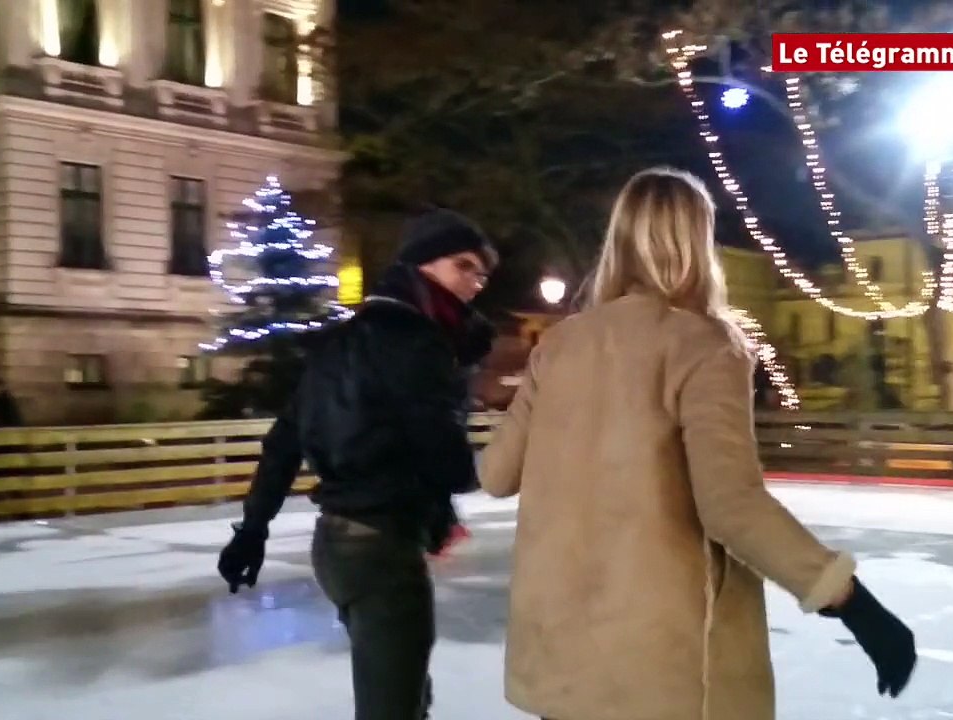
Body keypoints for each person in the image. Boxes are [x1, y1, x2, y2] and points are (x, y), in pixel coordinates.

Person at [478, 168, 916, 720]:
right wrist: (854, 603)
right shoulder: (705, 346)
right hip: (664, 674)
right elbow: (730, 506)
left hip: (562, 663)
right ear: (696, 244)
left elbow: (495, 474)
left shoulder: (558, 347)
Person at [217, 208, 498, 720]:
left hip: (338, 550)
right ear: (423, 266)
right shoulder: (417, 343)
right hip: (383, 554)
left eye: (482, 274)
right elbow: (451, 463)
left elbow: (284, 442)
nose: (476, 283)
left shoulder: (342, 340)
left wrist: (252, 530)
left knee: (405, 693)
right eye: (464, 267)